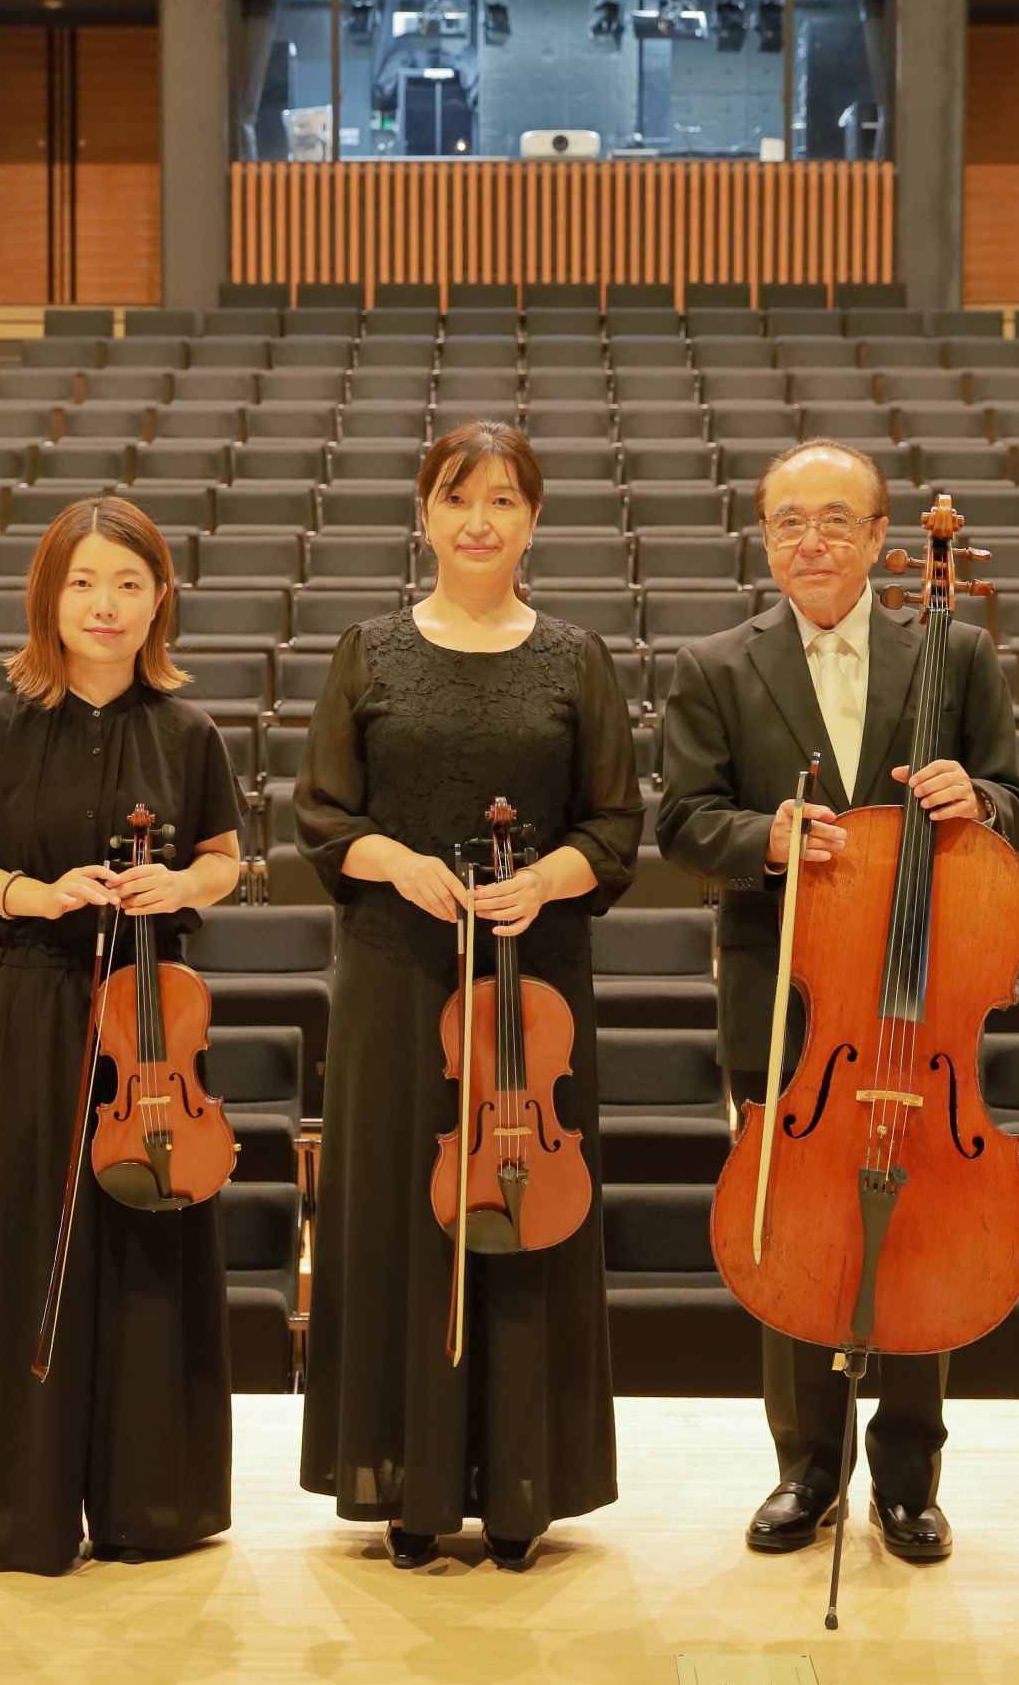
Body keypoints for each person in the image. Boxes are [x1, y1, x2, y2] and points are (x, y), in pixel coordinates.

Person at [654, 440, 1019, 1564]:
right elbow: (681, 822)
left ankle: (909, 1477)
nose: (809, 540)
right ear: (763, 536)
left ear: (879, 537)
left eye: (834, 520)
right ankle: (805, 1468)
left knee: (918, 1226)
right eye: (788, 521)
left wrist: (980, 800)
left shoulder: (957, 653)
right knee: (795, 1227)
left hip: (924, 1001)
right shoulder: (715, 665)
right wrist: (764, 837)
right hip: (791, 998)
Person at [294, 419, 644, 1573]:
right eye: (458, 497)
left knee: (525, 1207)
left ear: (532, 520)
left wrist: (545, 877)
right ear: (425, 514)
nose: (479, 520)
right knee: (403, 1206)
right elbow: (321, 815)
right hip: (399, 972)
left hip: (532, 979)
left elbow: (614, 823)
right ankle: (407, 1480)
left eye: (502, 499)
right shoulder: (368, 650)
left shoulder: (577, 657)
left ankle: (521, 1483)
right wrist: (398, 861)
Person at [0, 496, 244, 1576]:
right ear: (49, 596)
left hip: (153, 1015)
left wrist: (179, 883)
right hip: (35, 997)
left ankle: (154, 1503)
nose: (105, 604)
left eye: (128, 584)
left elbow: (223, 862)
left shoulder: (190, 733)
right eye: (84, 582)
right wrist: (30, 891)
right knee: (30, 1238)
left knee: (152, 1232)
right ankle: (27, 1509)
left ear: (159, 600)